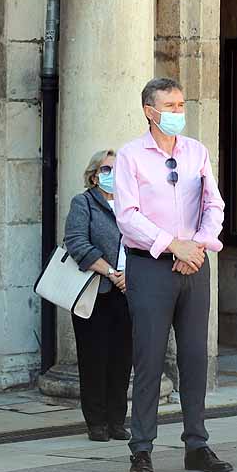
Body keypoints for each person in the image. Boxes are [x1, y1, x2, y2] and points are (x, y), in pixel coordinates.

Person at [114, 78, 231, 472]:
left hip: (194, 263)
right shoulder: (130, 156)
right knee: (149, 356)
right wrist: (170, 246)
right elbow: (127, 214)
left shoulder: (196, 151)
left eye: (182, 105)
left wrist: (196, 246)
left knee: (195, 356)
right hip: (150, 265)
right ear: (150, 111)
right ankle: (141, 449)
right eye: (171, 106)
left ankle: (196, 444)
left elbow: (213, 204)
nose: (179, 112)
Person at [63, 149, 132, 442]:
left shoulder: (132, 203)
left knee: (122, 358)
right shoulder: (84, 203)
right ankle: (96, 422)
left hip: (129, 293)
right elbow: (76, 242)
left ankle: (118, 420)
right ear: (94, 175)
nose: (111, 175)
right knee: (94, 358)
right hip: (95, 291)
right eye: (106, 169)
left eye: (117, 169)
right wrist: (112, 273)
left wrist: (132, 276)